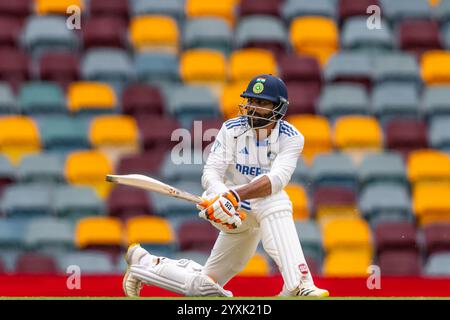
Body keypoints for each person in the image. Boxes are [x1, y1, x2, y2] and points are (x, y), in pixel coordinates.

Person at [122, 74, 329, 298]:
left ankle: (298, 285)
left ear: (278, 108)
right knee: (205, 286)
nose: (252, 107)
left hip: (260, 208)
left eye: (261, 103)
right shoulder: (231, 129)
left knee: (275, 198)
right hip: (233, 215)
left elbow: (277, 179)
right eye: (251, 101)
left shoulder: (291, 137)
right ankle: (143, 263)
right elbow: (211, 173)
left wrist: (234, 195)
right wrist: (222, 198)